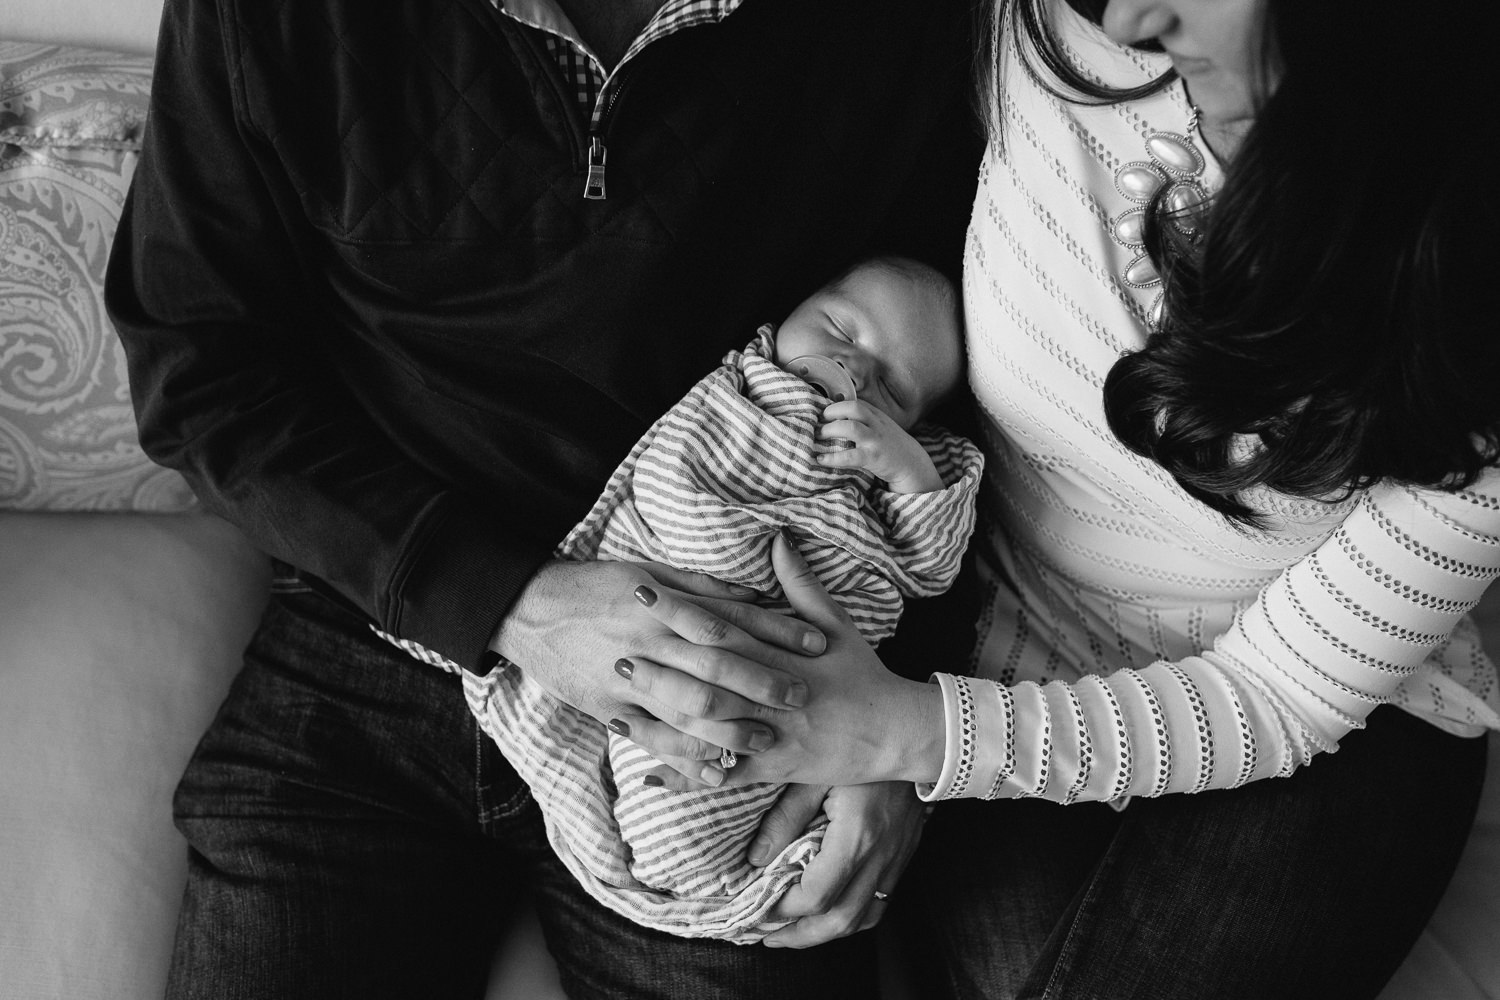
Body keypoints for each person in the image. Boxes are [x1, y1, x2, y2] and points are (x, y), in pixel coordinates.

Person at [103, 0, 981, 996]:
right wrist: (511, 602)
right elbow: (200, 374)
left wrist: (899, 739)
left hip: (742, 691)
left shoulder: (905, 25)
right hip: (373, 650)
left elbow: (970, 390)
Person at [620, 0, 1500, 994]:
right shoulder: (1052, 30)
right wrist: (880, 697)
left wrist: (899, 732)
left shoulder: (1469, 286)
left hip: (1335, 716)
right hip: (1006, 647)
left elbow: (1282, 695)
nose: (1132, 13)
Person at [415, 256, 980, 942]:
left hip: (801, 677)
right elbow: (674, 479)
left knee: (698, 794)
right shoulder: (743, 385)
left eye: (892, 386)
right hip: (603, 606)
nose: (854, 373)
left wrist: (912, 474)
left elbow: (929, 569)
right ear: (792, 311)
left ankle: (707, 881)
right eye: (840, 329)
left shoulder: (895, 466)